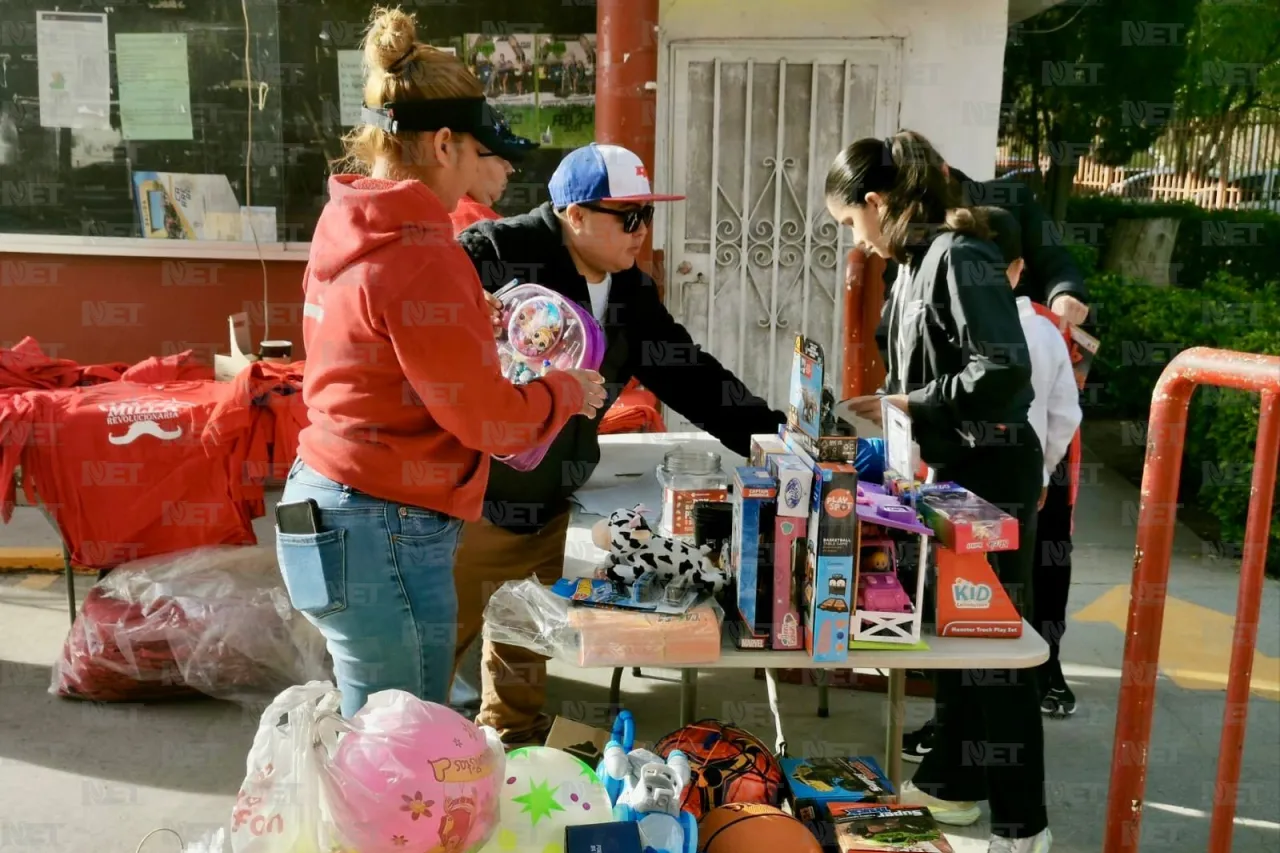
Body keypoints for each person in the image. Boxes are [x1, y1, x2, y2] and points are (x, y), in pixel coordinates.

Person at [274, 7, 606, 720]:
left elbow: (373, 349)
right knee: (403, 743)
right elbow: (488, 419)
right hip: (383, 523)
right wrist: (564, 390)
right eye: (477, 149)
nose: (488, 170)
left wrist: (462, 325)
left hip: (323, 502)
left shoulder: (348, 223)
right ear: (444, 143)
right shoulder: (423, 250)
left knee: (373, 732)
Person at [452, 142, 787, 745]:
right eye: (627, 217)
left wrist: (774, 437)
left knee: (522, 643)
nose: (641, 232)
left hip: (549, 497)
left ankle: (512, 749)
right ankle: (393, 786)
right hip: (471, 499)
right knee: (429, 654)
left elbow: (691, 373)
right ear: (574, 214)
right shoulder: (495, 255)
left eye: (647, 215)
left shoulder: (630, 291)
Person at [832, 132, 1052, 853]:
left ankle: (1025, 827)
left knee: (999, 651)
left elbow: (1003, 369)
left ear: (876, 201)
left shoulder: (960, 255)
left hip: (993, 479)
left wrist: (912, 403)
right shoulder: (913, 263)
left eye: (849, 222)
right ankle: (957, 781)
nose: (854, 240)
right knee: (957, 639)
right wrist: (892, 414)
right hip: (953, 473)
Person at [892, 132, 1090, 762]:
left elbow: (1056, 410)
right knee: (964, 613)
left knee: (1005, 615)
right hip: (965, 463)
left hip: (1013, 469)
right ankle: (957, 751)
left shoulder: (976, 258)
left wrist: (1047, 474)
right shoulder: (917, 264)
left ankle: (1005, 785)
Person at [987, 207, 1084, 718]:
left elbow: (1065, 412)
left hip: (1036, 472)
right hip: (1025, 471)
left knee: (1043, 566)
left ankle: (1046, 671)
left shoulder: (1041, 329)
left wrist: (1044, 471)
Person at [449, 106, 538, 232]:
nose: (510, 169)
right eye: (502, 157)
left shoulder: (429, 208)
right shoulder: (481, 224)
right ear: (468, 151)